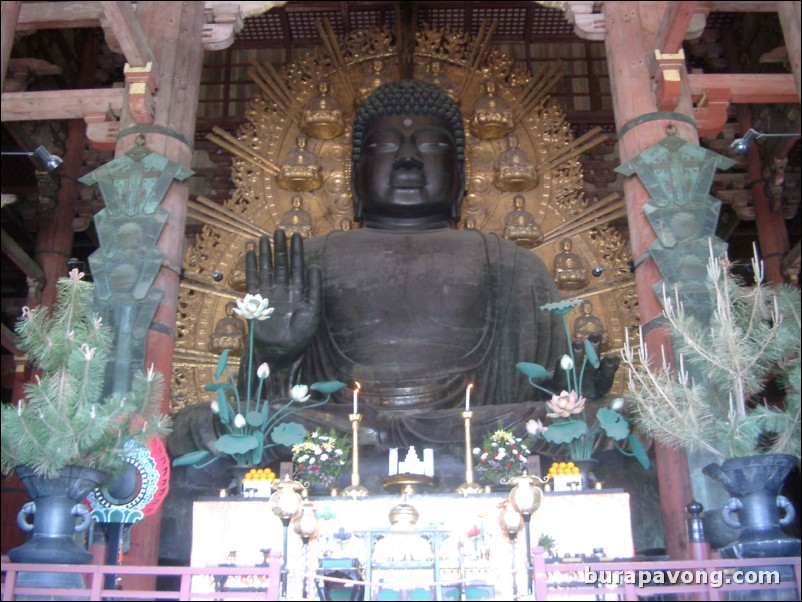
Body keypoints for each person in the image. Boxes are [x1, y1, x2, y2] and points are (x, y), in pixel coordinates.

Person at [240, 81, 617, 446]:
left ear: (461, 174)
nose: (408, 159)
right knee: (210, 422)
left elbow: (543, 387)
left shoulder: (515, 266)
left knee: (610, 417)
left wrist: (575, 387)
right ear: (354, 175)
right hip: (342, 432)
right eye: (385, 145)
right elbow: (255, 401)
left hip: (478, 430)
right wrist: (274, 353)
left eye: (432, 145)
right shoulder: (307, 261)